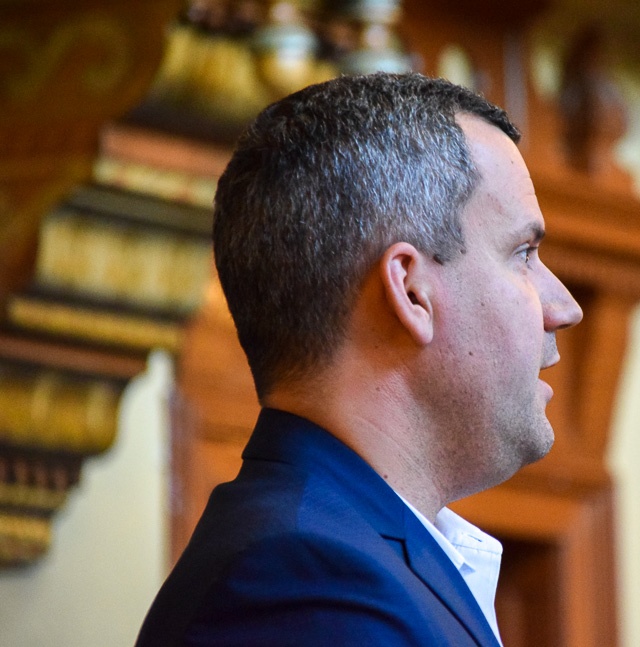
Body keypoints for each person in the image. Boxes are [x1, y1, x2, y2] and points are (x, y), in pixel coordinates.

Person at [135, 72, 583, 647]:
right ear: (411, 291)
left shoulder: (338, 552)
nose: (563, 308)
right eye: (523, 253)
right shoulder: (305, 582)